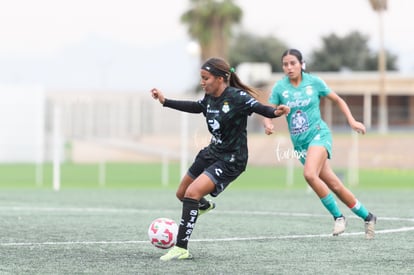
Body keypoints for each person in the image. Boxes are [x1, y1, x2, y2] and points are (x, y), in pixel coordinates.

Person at [151, 57, 290, 261]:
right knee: (181, 194)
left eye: (205, 78)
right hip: (212, 152)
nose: (202, 82)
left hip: (232, 159)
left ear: (220, 78)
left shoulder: (238, 97)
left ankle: (181, 247)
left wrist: (276, 112)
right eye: (201, 78)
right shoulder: (209, 98)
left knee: (191, 194)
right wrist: (165, 101)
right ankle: (204, 207)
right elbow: (195, 106)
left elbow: (261, 108)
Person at [263, 49, 377, 239]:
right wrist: (269, 124)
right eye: (285, 64)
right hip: (300, 146)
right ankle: (368, 216)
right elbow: (269, 112)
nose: (289, 67)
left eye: (293, 63)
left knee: (309, 174)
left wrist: (352, 121)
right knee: (335, 185)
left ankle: (339, 217)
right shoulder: (279, 88)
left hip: (319, 136)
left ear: (301, 64)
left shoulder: (314, 82)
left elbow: (338, 100)